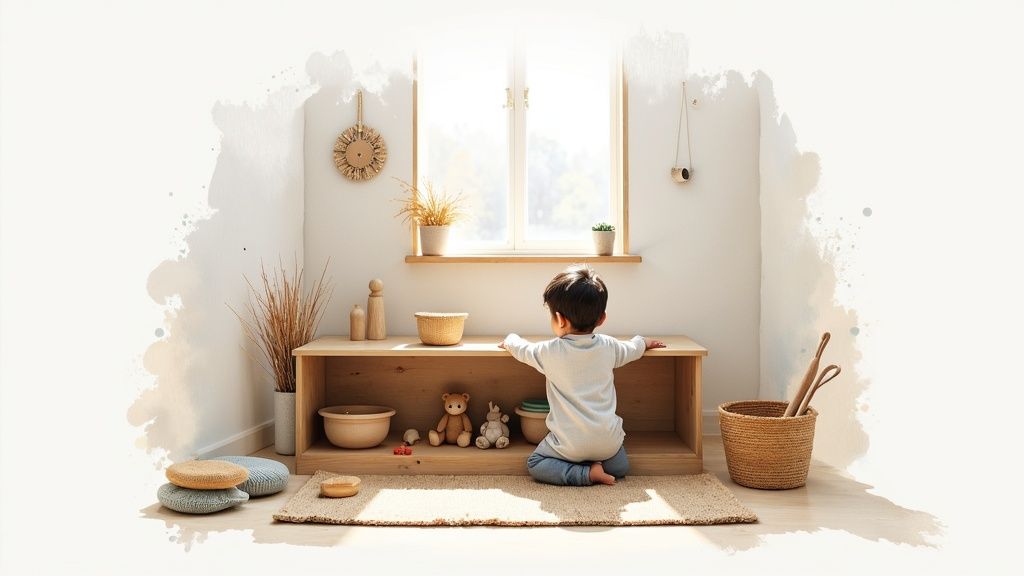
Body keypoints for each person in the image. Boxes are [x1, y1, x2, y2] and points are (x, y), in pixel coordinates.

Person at [499, 264, 665, 486]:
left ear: (560, 320)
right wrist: (644, 342)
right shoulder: (610, 347)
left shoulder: (549, 351)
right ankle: (600, 466)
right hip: (607, 443)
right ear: (602, 318)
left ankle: (585, 474)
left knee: (536, 464)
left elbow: (522, 349)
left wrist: (510, 339)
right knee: (620, 466)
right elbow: (633, 349)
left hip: (568, 444)